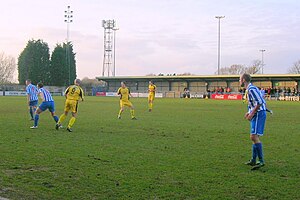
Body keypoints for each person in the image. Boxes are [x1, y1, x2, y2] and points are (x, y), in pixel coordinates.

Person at [239, 73, 267, 170]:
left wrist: (252, 113)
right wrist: (249, 112)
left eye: (239, 79)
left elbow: (260, 102)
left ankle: (261, 161)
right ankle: (254, 160)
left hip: (259, 113)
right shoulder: (249, 89)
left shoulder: (251, 89)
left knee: (254, 136)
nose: (239, 81)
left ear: (243, 80)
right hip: (256, 113)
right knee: (254, 137)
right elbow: (254, 103)